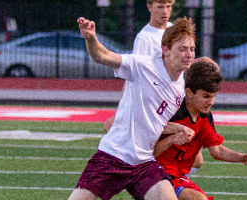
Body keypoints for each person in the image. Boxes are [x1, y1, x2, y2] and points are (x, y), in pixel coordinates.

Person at [69, 16, 197, 200]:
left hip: (143, 163)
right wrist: (91, 38)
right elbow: (102, 56)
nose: (189, 54)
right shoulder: (143, 65)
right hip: (113, 155)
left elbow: (155, 122)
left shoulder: (180, 88)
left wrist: (177, 128)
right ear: (166, 50)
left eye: (192, 49)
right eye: (182, 49)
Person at [103, 0, 204, 175]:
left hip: (176, 98)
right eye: (160, 7)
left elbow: (180, 62)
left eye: (169, 6)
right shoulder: (145, 38)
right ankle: (161, 183)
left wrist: (201, 62)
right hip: (158, 104)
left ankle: (166, 182)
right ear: (149, 7)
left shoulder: (172, 29)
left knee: (195, 159)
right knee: (184, 155)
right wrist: (120, 112)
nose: (165, 11)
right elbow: (134, 75)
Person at [154, 61, 247, 200]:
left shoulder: (205, 115)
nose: (211, 102)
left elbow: (217, 150)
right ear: (189, 92)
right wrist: (171, 139)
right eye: (206, 96)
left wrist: (240, 157)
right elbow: (145, 154)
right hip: (153, 173)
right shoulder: (171, 112)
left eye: (214, 96)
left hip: (175, 175)